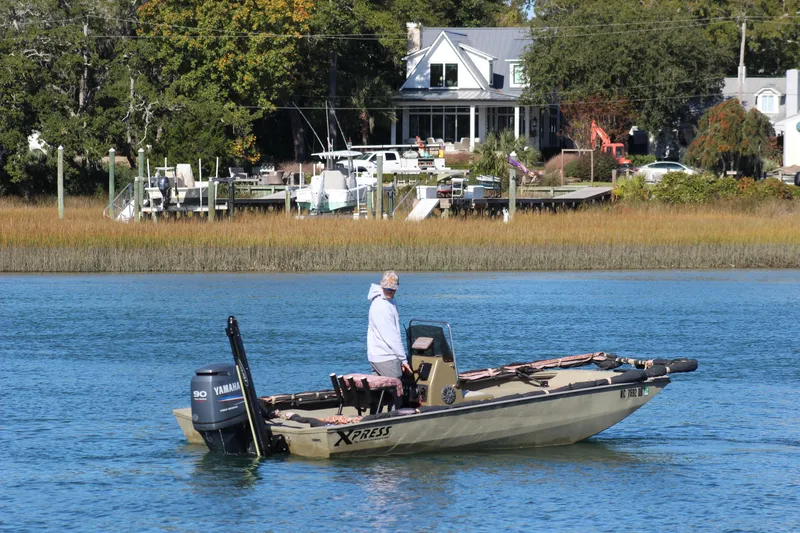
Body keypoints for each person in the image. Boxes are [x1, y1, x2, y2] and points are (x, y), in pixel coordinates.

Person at [367, 270, 412, 380]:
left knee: (383, 392)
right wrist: (404, 360)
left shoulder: (388, 301)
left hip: (379, 355)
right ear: (382, 285)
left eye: (393, 289)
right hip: (385, 357)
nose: (390, 291)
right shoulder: (382, 306)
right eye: (387, 288)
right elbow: (392, 337)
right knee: (397, 388)